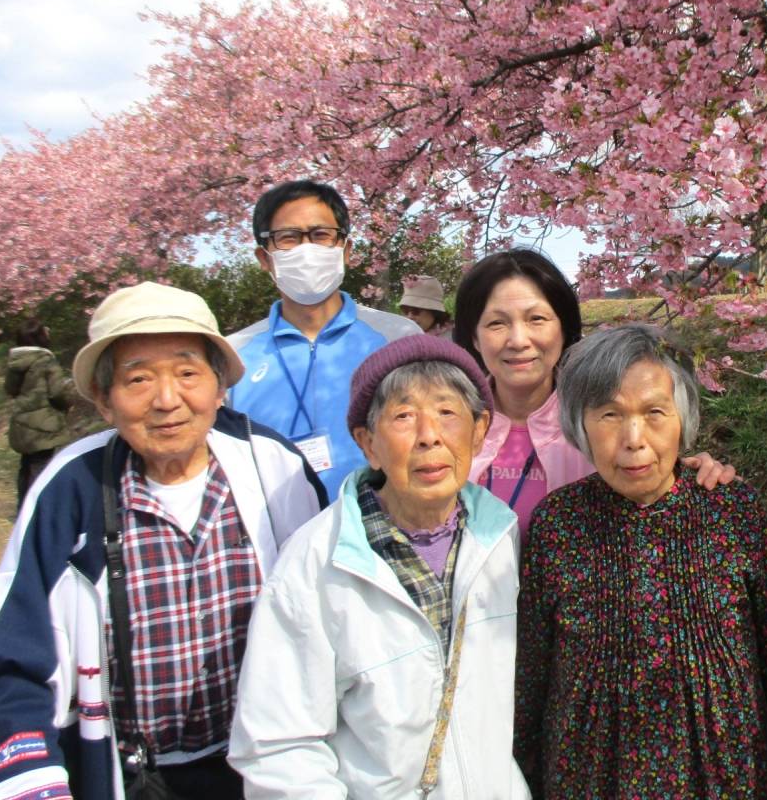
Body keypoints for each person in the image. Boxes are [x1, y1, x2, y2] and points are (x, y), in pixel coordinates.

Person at [0, 281, 326, 800]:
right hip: (131, 774)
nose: (168, 400)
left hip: (266, 764)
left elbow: (330, 604)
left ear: (219, 387)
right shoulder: (72, 489)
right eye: (138, 379)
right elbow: (13, 662)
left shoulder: (272, 464)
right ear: (103, 401)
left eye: (188, 373)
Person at [514, 324, 767, 799]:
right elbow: (531, 680)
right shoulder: (557, 524)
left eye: (654, 412)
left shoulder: (731, 509)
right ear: (580, 423)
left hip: (728, 778)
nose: (634, 439)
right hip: (589, 778)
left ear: (682, 417)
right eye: (610, 415)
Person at [229, 335, 529, 798]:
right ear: (367, 443)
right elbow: (279, 747)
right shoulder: (315, 563)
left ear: (478, 430)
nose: (429, 435)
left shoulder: (498, 535)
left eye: (447, 412)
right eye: (404, 416)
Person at [453, 249, 733, 535]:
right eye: (496, 323)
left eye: (536, 319)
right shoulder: (446, 425)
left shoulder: (600, 419)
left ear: (564, 328)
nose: (518, 340)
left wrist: (688, 475)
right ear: (474, 336)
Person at [227, 180, 420, 501]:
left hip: (381, 535)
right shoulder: (234, 355)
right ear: (264, 257)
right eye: (288, 238)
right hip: (277, 542)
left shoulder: (398, 337)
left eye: (320, 235)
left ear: (345, 250)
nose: (307, 250)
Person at [5, 316, 77, 508]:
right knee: (41, 466)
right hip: (43, 424)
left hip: (21, 421)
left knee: (26, 465)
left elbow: (10, 389)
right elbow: (56, 392)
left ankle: (23, 507)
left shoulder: (15, 361)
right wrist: (68, 401)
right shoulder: (46, 361)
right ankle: (39, 507)